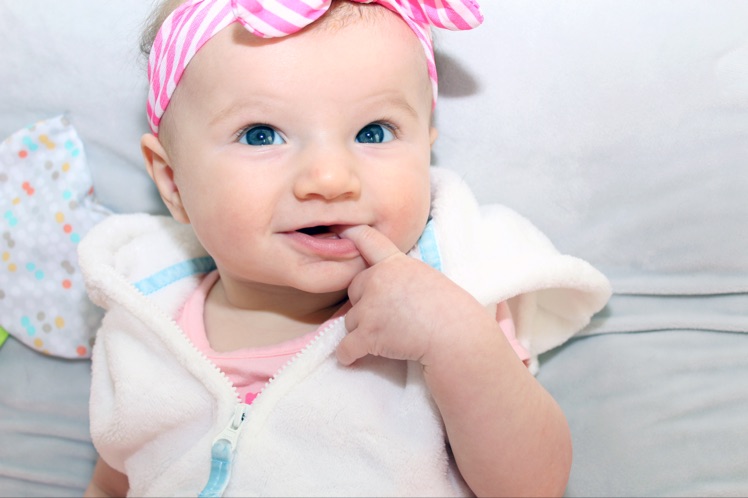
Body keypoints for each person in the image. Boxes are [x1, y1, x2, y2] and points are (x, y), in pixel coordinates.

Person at [80, 0, 611, 496]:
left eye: (373, 132)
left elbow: (533, 484)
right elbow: (116, 478)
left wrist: (456, 339)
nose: (331, 178)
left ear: (425, 150)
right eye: (261, 135)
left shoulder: (454, 296)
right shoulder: (143, 323)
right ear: (173, 182)